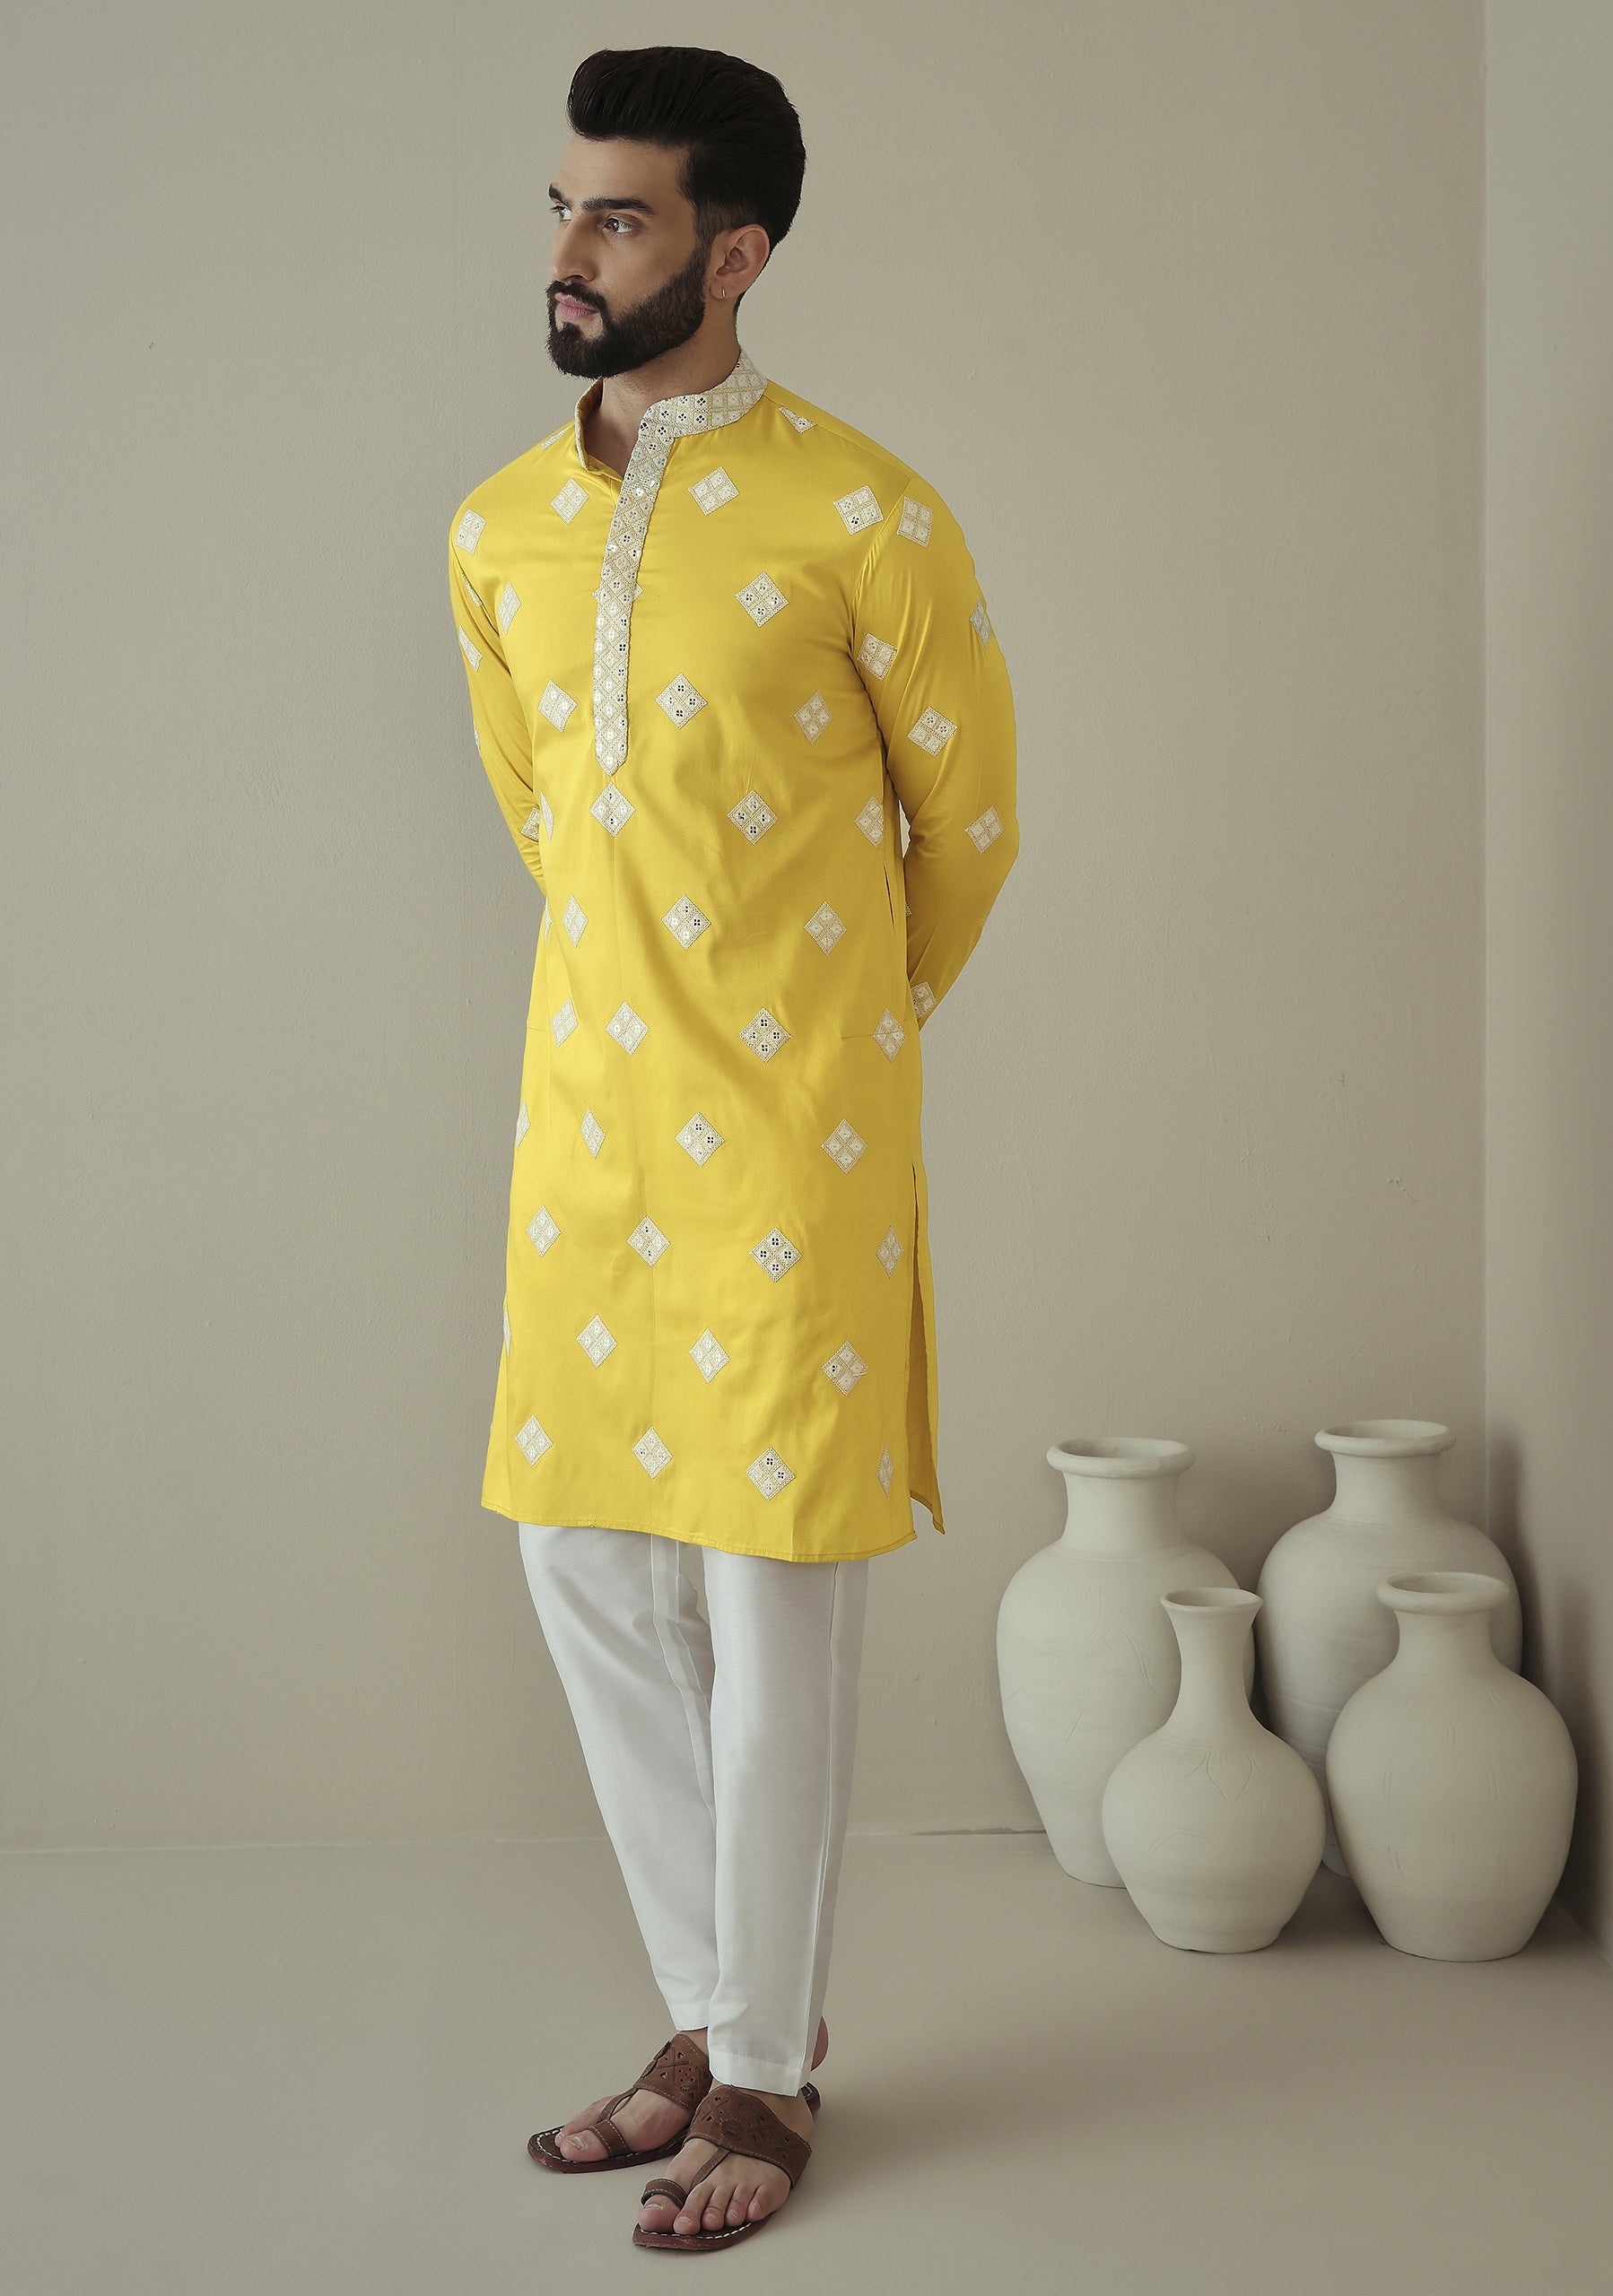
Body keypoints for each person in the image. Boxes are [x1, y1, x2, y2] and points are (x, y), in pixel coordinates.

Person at [447, 43, 1020, 2254]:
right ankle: (719, 2003)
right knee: (584, 1560)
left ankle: (762, 2064)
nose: (573, 251)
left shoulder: (866, 514)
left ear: (737, 251)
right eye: (565, 207)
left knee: (774, 1588)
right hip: (585, 1123)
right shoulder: (498, 528)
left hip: (795, 1131)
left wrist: (827, 1050)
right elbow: (543, 814)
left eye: (622, 216)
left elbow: (968, 826)